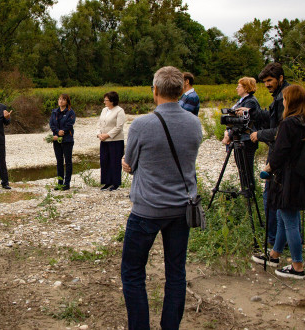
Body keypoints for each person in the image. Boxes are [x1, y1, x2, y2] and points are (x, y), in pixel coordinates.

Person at [121, 66, 202, 329]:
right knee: (176, 273)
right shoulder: (194, 123)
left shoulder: (142, 124)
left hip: (147, 209)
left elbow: (130, 162)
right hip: (181, 209)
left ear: (155, 91)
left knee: (133, 273)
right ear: (180, 91)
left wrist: (127, 163)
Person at [252, 85, 305, 279]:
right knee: (282, 216)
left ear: (290, 101)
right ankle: (274, 255)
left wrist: (266, 170)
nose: (283, 102)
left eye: (285, 99)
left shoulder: (288, 124)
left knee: (290, 221)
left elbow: (279, 153)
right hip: (301, 177)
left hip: (288, 180)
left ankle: (297, 266)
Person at [250, 63, 290, 246]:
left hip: (280, 157)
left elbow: (282, 131)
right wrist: (252, 113)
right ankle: (276, 239)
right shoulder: (279, 96)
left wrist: (259, 135)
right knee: (273, 197)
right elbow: (271, 116)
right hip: (279, 155)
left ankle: (273, 239)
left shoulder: (285, 98)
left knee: (272, 197)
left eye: (269, 80)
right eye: (264, 81)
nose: (266, 84)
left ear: (280, 78)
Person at [221, 77, 261, 185]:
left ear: (246, 88)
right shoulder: (242, 101)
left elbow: (242, 123)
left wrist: (228, 135)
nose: (236, 88)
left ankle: (249, 193)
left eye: (239, 86)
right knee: (241, 168)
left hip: (246, 139)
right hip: (239, 138)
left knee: (246, 169)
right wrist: (227, 132)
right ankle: (245, 190)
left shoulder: (250, 102)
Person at [96, 91, 126, 191]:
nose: (104, 102)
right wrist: (99, 134)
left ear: (112, 101)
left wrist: (107, 135)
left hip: (115, 140)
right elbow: (99, 123)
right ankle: (106, 182)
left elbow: (119, 127)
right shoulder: (104, 110)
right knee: (104, 161)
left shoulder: (119, 111)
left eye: (106, 100)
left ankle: (115, 183)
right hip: (104, 140)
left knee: (115, 161)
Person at [49, 94, 76, 191]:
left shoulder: (70, 112)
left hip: (67, 139)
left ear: (67, 101)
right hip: (56, 139)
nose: (61, 101)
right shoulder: (54, 112)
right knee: (59, 161)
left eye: (63, 100)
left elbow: (70, 124)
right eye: (59, 99)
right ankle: (60, 182)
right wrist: (56, 132)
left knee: (68, 161)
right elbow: (51, 124)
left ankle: (67, 183)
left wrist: (62, 132)